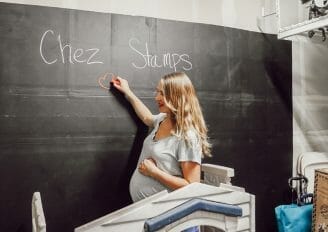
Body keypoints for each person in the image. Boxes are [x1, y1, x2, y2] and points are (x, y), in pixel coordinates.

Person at [111, 72, 211, 232]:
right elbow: (147, 117)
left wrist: (154, 172)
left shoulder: (188, 136)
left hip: (177, 222)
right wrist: (128, 92)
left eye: (162, 93)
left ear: (177, 96)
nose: (156, 97)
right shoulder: (163, 119)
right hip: (156, 219)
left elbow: (192, 186)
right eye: (157, 91)